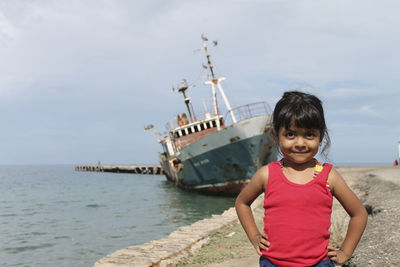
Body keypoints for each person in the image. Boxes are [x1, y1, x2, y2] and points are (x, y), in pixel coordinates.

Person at [235, 91, 368, 267]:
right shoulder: (267, 174)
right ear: (276, 135)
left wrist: (345, 252)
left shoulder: (329, 176)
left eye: (309, 135)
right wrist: (255, 236)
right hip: (273, 263)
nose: (300, 143)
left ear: (321, 136)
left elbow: (359, 214)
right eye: (290, 134)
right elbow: (242, 203)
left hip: (318, 263)